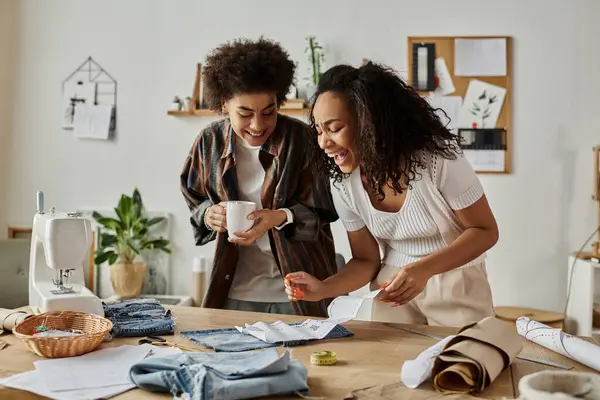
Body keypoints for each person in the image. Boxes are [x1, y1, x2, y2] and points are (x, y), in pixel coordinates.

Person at [284, 61, 498, 327]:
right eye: (318, 130)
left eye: (334, 128)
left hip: (456, 281)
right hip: (391, 288)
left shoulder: (438, 161)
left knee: (462, 366)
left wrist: (424, 269)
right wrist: (323, 288)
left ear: (369, 123)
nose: (323, 142)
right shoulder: (343, 183)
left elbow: (485, 230)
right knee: (385, 366)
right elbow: (366, 260)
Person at [180, 37, 339, 317]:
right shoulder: (209, 142)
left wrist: (280, 217)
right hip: (235, 289)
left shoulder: (301, 140)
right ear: (223, 105)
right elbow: (194, 196)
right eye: (245, 114)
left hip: (299, 288)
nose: (258, 125)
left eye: (269, 112)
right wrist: (209, 215)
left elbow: (325, 208)